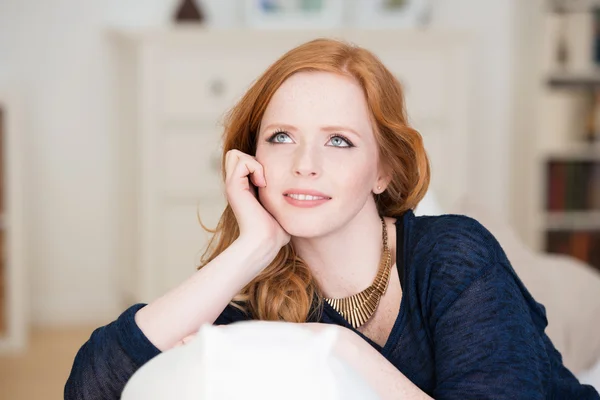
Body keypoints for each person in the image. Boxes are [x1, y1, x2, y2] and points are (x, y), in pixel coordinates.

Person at [65, 38, 600, 400]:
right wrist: (250, 249)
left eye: (339, 141)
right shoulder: (265, 309)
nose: (305, 165)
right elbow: (91, 387)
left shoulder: (454, 254)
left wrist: (340, 348)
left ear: (382, 171)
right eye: (281, 137)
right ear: (252, 162)